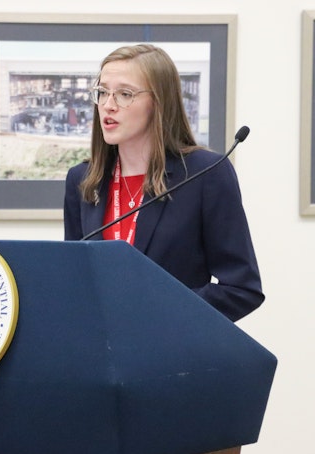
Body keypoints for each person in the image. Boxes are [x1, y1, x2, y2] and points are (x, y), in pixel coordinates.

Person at [64, 44, 264, 323]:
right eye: (102, 92)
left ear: (159, 103)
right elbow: (75, 281)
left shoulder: (206, 174)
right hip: (101, 358)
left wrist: (159, 313)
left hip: (177, 355)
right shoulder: (83, 179)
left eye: (124, 94)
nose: (108, 105)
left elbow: (242, 289)